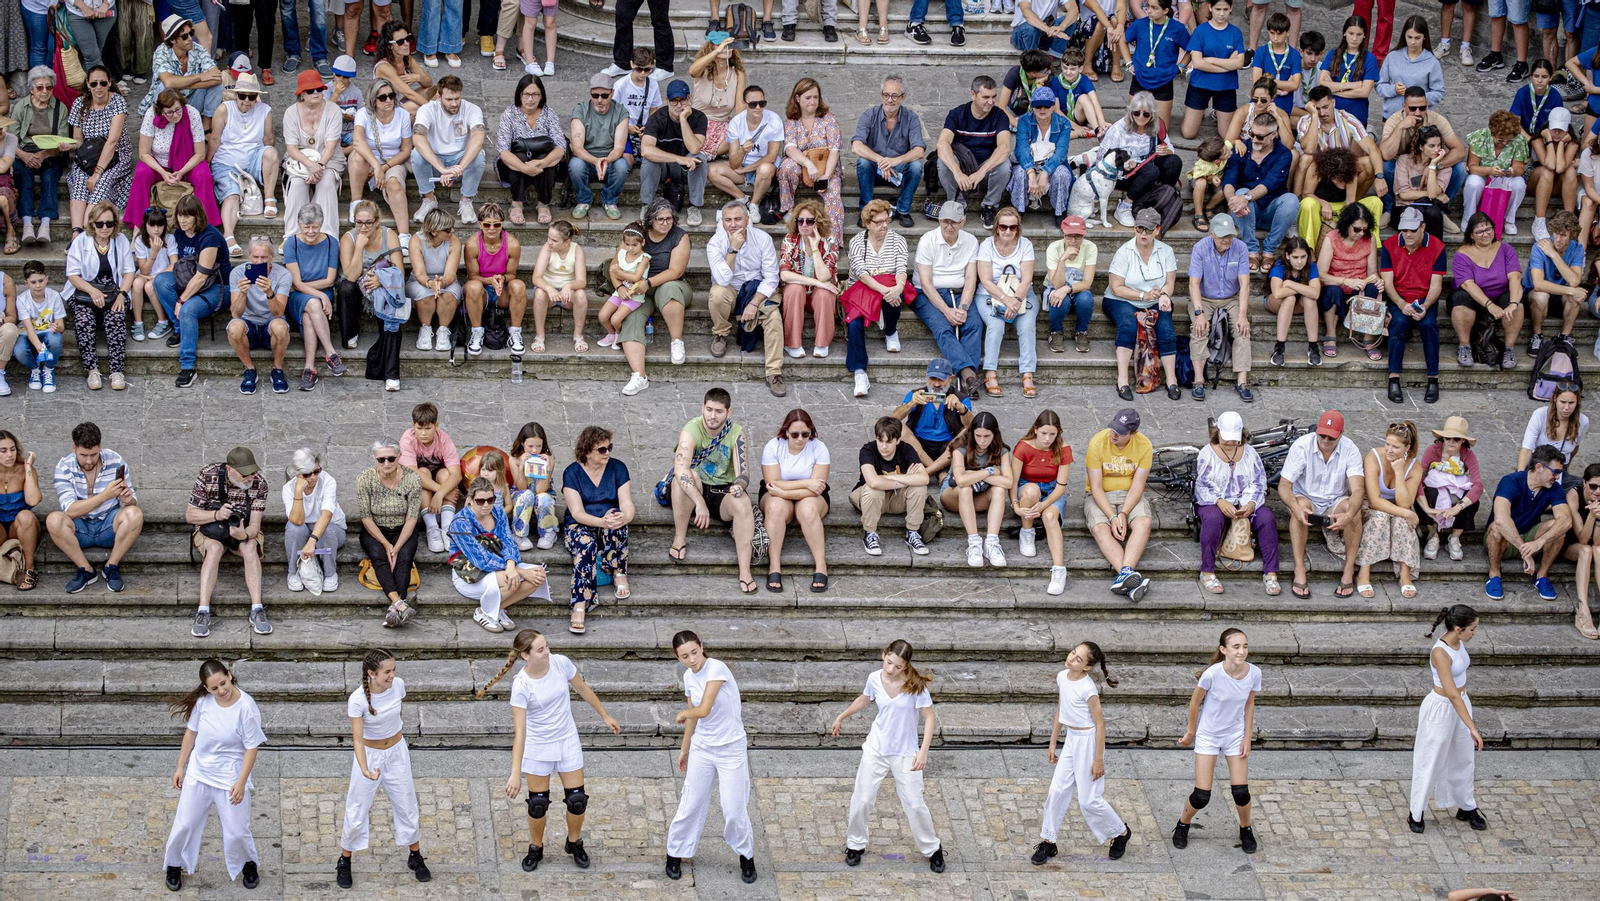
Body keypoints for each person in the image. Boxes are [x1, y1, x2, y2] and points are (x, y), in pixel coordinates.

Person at [479, 629, 621, 871]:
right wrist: (515, 772)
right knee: (538, 804)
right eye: (541, 649)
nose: (548, 652)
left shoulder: (560, 663)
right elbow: (520, 733)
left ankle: (574, 842)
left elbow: (583, 689)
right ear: (525, 655)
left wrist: (605, 715)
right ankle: (536, 847)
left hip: (566, 740)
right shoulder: (521, 685)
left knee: (577, 800)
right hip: (538, 746)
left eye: (547, 646)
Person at [830, 640, 945, 872]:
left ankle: (933, 849)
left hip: (905, 752)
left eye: (897, 666)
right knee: (862, 798)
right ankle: (855, 844)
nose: (890, 669)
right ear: (884, 655)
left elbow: (929, 718)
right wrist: (841, 716)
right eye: (888, 662)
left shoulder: (916, 686)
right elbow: (864, 699)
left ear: (906, 666)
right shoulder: (874, 678)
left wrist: (923, 751)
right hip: (877, 748)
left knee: (914, 803)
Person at [160, 660, 266, 893]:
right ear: (206, 689)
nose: (221, 691)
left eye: (223, 683)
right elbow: (191, 733)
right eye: (215, 688)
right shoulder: (203, 703)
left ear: (229, 675)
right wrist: (180, 767)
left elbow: (251, 748)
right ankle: (174, 865)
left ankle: (248, 864)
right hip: (199, 774)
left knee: (237, 830)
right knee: (185, 822)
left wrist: (240, 782)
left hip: (229, 778)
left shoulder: (246, 707)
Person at [664, 631, 757, 885]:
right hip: (703, 748)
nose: (692, 660)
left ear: (702, 647)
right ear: (677, 657)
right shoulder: (687, 676)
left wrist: (684, 712)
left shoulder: (717, 668)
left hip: (731, 749)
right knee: (690, 801)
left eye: (694, 652)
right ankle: (675, 852)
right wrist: (685, 749)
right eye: (684, 656)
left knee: (734, 809)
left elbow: (702, 709)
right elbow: (695, 718)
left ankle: (746, 856)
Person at [1031, 641, 1132, 864]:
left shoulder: (1088, 689)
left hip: (1088, 742)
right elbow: (1061, 708)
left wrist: (1098, 759)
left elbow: (1100, 724)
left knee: (1089, 800)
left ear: (1087, 667)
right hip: (1071, 739)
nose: (1072, 658)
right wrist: (1053, 741)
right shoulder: (1062, 677)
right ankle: (1048, 841)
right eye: (1073, 653)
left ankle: (1120, 832)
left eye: (1078, 659)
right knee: (1056, 790)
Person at [336, 650, 430, 889]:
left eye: (393, 669)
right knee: (357, 807)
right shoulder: (357, 700)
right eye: (387, 671)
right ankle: (345, 860)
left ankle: (415, 855)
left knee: (407, 804)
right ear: (371, 673)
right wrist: (365, 769)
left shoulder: (398, 685)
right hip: (369, 755)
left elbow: (397, 713)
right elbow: (357, 739)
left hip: (397, 752)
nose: (392, 675)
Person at [1171, 628, 1262, 855]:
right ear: (1223, 650)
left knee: (1241, 792)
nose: (1242, 651)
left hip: (1234, 735)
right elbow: (1194, 704)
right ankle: (1183, 823)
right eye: (1236, 647)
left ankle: (1245, 828)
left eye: (1245, 646)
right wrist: (1191, 733)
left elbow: (1249, 704)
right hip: (1209, 735)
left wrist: (1247, 737)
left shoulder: (1254, 673)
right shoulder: (1212, 674)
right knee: (1202, 795)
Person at [669, 388, 758, 592]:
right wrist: (700, 502)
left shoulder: (736, 432)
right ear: (702, 408)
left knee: (743, 501)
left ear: (728, 412)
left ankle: (745, 571)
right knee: (685, 478)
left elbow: (744, 473)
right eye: (709, 409)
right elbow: (680, 469)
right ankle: (679, 537)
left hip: (721, 491)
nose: (712, 415)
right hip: (694, 487)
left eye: (718, 411)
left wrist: (739, 486)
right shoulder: (691, 429)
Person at [1409, 605, 1486, 833]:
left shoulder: (1459, 642)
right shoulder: (1440, 653)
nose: (1475, 633)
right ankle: (1416, 811)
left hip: (1461, 703)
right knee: (1431, 758)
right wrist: (1472, 726)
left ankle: (1466, 805)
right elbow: (1451, 692)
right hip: (1441, 708)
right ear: (1458, 629)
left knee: (1463, 757)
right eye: (1472, 629)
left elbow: (1458, 691)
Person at [608, 200, 694, 396]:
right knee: (632, 317)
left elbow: (676, 270)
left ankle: (676, 341)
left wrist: (649, 283)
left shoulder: (680, 237)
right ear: (650, 220)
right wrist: (620, 287)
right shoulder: (636, 234)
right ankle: (639, 375)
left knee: (669, 290)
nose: (665, 223)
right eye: (660, 219)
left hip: (671, 284)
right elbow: (616, 265)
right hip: (637, 289)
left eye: (669, 219)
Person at [47, 421, 143, 594]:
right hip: (80, 528)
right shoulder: (63, 467)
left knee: (134, 514)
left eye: (94, 454)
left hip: (108, 525)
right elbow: (69, 510)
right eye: (84, 455)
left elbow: (131, 500)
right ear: (74, 448)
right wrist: (105, 495)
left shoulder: (115, 460)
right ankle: (85, 569)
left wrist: (128, 500)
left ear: (100, 446)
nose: (89, 460)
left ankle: (111, 566)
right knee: (53, 519)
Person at [1279, 409, 1366, 599]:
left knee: (1355, 511)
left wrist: (1349, 514)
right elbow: (1284, 485)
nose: (1325, 440)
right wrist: (1295, 507)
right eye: (1322, 435)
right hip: (1306, 497)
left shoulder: (1350, 449)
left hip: (1335, 500)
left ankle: (1349, 570)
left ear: (1341, 435)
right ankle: (1299, 568)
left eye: (1331, 437)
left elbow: (1358, 489)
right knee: (1300, 508)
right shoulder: (1302, 446)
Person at [186, 447, 271, 639]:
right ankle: (203, 610)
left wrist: (242, 535)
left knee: (249, 546)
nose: (250, 477)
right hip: (211, 529)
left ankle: (257, 608)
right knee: (214, 549)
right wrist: (216, 515)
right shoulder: (208, 475)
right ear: (230, 469)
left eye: (253, 472)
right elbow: (190, 515)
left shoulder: (259, 484)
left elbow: (255, 526)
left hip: (242, 529)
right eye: (244, 474)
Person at [452, 475, 552, 634]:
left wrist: (511, 564)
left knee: (538, 575)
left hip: (502, 564)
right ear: (470, 500)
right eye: (480, 501)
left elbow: (508, 542)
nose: (486, 505)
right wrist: (518, 571)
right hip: (471, 573)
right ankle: (482, 613)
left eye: (490, 500)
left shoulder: (498, 512)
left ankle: (495, 609)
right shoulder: (460, 522)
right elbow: (481, 559)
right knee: (512, 579)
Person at [1194, 411, 1280, 595]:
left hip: (1244, 500)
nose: (1231, 443)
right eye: (1226, 439)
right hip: (1214, 501)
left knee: (1267, 519)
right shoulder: (1206, 453)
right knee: (1213, 519)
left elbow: (1258, 482)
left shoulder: (1250, 453)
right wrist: (1220, 501)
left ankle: (1271, 573)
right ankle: (1207, 571)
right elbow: (1203, 484)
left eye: (1234, 439)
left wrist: (1250, 504)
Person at [705, 201, 784, 394]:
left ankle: (774, 372)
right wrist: (733, 249)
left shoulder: (762, 238)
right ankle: (721, 333)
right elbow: (722, 279)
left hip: (757, 289)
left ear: (747, 220)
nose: (733, 224)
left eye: (738, 219)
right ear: (722, 222)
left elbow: (771, 277)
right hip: (730, 288)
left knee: (773, 318)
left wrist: (754, 303)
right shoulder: (716, 243)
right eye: (728, 220)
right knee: (717, 293)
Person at [1104, 208, 1181, 401]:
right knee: (1128, 326)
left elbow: (1170, 282)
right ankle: (1122, 380)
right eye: (1139, 229)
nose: (1143, 234)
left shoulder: (1166, 251)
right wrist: (1143, 295)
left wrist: (1164, 295)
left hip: (1155, 298)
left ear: (1157, 229)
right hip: (1122, 299)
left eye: (1148, 229)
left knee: (1166, 327)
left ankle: (1172, 380)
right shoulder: (1124, 252)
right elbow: (1116, 287)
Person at [910, 203, 985, 395]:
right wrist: (947, 311)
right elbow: (926, 284)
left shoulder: (970, 241)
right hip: (927, 294)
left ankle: (967, 379)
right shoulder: (928, 240)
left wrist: (964, 308)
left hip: (960, 292)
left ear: (963, 222)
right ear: (939, 220)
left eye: (953, 222)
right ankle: (968, 374)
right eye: (945, 221)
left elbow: (970, 279)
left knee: (974, 324)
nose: (949, 226)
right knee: (942, 327)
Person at [562, 426, 633, 629]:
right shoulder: (572, 473)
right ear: (586, 451)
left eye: (609, 447)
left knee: (617, 521)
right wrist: (601, 522)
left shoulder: (618, 468)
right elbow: (577, 512)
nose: (608, 452)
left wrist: (624, 517)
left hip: (608, 521)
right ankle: (580, 603)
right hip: (580, 524)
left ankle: (619, 571)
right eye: (602, 449)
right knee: (586, 546)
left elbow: (627, 504)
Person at [62, 201, 134, 392]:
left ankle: (117, 370)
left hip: (113, 291)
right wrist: (92, 292)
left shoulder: (121, 241)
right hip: (85, 290)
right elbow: (73, 275)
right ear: (93, 223)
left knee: (116, 316)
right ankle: (92, 370)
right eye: (100, 224)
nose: (104, 228)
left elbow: (128, 272)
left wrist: (122, 294)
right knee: (84, 320)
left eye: (109, 224)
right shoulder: (81, 241)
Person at [1083, 408, 1154, 600]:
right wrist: (1113, 516)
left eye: (1121, 432)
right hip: (1101, 495)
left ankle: (1124, 575)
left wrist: (1123, 513)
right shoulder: (1098, 442)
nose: (1114, 434)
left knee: (1144, 522)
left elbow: (1138, 486)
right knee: (1099, 528)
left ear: (1133, 434)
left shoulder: (1144, 445)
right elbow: (1095, 487)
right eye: (1113, 429)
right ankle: (1129, 578)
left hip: (1129, 494)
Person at [209, 75, 282, 259]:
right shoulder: (224, 109)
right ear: (236, 95)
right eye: (242, 96)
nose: (247, 100)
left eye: (252, 96)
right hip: (226, 162)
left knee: (271, 152)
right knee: (231, 195)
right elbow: (215, 138)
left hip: (253, 158)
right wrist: (208, 161)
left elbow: (269, 139)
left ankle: (269, 198)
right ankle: (229, 235)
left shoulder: (265, 110)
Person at [843, 200, 910, 398]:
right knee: (853, 322)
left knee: (893, 291)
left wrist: (898, 287)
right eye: (879, 222)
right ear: (867, 223)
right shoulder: (856, 242)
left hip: (889, 286)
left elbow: (901, 269)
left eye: (887, 220)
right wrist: (886, 290)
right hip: (862, 289)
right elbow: (862, 274)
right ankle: (859, 372)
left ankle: (890, 330)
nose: (884, 225)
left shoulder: (898, 240)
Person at [1486, 444, 1570, 600]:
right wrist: (1524, 551)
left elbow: (1566, 520)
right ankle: (1494, 574)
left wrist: (1539, 542)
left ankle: (1542, 576)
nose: (1558, 476)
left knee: (1558, 528)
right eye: (1556, 472)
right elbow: (1502, 518)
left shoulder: (1554, 488)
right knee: (1497, 526)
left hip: (1531, 538)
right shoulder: (1510, 481)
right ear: (1539, 467)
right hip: (1503, 541)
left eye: (1560, 472)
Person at [759, 409, 831, 592]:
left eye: (805, 434)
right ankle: (774, 566)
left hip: (810, 497)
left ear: (811, 433)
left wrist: (784, 491)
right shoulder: (773, 446)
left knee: (807, 510)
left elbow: (818, 488)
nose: (800, 439)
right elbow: (772, 483)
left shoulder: (819, 448)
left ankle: (821, 565)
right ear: (786, 432)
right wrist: (807, 483)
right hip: (777, 494)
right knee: (775, 508)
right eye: (795, 434)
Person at [1381, 207, 1447, 404]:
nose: (1408, 234)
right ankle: (1394, 377)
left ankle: (1433, 378)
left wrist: (1425, 305)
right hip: (1399, 296)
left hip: (1424, 297)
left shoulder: (1437, 246)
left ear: (1423, 227)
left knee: (1428, 325)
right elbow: (1387, 282)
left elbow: (1436, 285)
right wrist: (1401, 304)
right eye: (1404, 230)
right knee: (1399, 323)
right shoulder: (1390, 245)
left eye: (1412, 229)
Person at [1186, 213, 1254, 402]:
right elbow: (1194, 284)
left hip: (1231, 297)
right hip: (1204, 297)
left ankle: (1241, 382)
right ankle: (1199, 381)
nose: (1227, 240)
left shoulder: (1240, 248)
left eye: (1230, 235)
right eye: (1223, 236)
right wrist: (1199, 313)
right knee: (1199, 329)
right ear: (1212, 234)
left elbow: (1245, 284)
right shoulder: (1200, 248)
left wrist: (1242, 315)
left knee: (1242, 330)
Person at [974, 205, 1040, 398]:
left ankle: (1027, 374)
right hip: (990, 295)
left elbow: (1027, 279)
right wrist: (1006, 300)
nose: (1008, 231)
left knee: (1027, 326)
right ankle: (990, 373)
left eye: (1013, 227)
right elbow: (985, 280)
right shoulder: (986, 245)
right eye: (1004, 227)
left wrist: (1016, 300)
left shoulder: (1025, 244)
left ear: (1018, 228)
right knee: (996, 325)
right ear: (997, 227)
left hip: (1021, 294)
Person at [933, 76, 1014, 230]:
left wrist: (981, 172)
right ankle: (957, 204)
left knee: (1004, 164)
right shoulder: (957, 114)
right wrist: (957, 172)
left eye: (993, 97)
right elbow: (942, 144)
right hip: (963, 167)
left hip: (987, 167)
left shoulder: (999, 115)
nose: (991, 102)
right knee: (942, 161)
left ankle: (990, 206)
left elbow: (1004, 147)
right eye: (986, 97)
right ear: (973, 95)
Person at [357, 438, 423, 627]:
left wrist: (397, 546)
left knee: (404, 557)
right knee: (379, 556)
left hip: (403, 528)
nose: (386, 463)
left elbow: (411, 518)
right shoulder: (364, 479)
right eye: (381, 460)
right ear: (374, 459)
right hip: (375, 529)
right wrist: (387, 545)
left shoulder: (412, 479)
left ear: (399, 457)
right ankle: (400, 604)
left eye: (391, 459)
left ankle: (394, 608)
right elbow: (366, 517)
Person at [1355, 420, 1425, 598]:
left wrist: (1400, 472)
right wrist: (1407, 513)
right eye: (1387, 444)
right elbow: (1374, 501)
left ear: (1407, 448)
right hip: (1371, 508)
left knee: (1403, 521)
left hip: (1397, 508)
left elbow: (1404, 502)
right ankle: (1364, 571)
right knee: (1381, 517)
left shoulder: (1414, 467)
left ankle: (1404, 574)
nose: (1389, 450)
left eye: (1395, 447)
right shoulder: (1373, 457)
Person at [339, 200, 406, 385]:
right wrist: (359, 247)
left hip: (382, 287)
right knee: (345, 287)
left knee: (391, 323)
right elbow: (351, 277)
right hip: (357, 288)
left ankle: (392, 373)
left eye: (368, 222)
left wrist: (381, 280)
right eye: (359, 222)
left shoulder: (389, 235)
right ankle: (350, 333)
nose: (363, 227)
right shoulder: (349, 238)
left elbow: (399, 271)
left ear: (377, 221)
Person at [1450, 212, 1525, 372]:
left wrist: (1513, 303)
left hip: (1500, 293)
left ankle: (1509, 348)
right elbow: (1468, 285)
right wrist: (1489, 305)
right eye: (1479, 231)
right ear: (1471, 234)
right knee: (1461, 302)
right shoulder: (1462, 254)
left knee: (1517, 306)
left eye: (1488, 229)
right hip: (1472, 296)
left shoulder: (1505, 249)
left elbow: (1515, 278)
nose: (1485, 234)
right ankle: (1465, 346)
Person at [1223, 114, 1298, 273]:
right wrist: (1234, 201)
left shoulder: (1283, 154)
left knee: (1291, 200)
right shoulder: (1241, 148)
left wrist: (1245, 198)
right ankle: (1251, 250)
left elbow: (1269, 184)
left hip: (1273, 211)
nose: (1254, 139)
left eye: (1260, 136)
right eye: (1252, 133)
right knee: (1240, 191)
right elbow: (1229, 181)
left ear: (1273, 135)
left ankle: (1269, 250)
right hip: (1247, 213)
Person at [282, 205, 347, 388]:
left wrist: (320, 294)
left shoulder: (331, 243)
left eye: (315, 227)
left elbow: (330, 279)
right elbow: (295, 284)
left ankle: (309, 369)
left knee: (309, 315)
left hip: (317, 292)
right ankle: (331, 353)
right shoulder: (291, 243)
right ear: (299, 225)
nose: (310, 231)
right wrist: (320, 295)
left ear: (321, 225)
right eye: (306, 227)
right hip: (298, 296)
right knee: (312, 303)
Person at [9, 67, 75, 247]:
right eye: (40, 87)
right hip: (24, 150)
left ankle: (45, 223)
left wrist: (44, 154)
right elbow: (11, 138)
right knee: (24, 178)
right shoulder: (21, 106)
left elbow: (62, 138)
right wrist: (24, 156)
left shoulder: (59, 108)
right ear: (31, 89)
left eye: (49, 87)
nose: (45, 91)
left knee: (49, 177)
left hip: (50, 151)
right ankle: (28, 223)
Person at [1378, 87, 1467, 219]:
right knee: (1386, 166)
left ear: (1427, 105)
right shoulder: (1394, 120)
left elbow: (1459, 151)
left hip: (1430, 164)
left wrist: (1435, 166)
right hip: (1403, 166)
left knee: (1460, 169)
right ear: (1404, 106)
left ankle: (1441, 208)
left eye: (1422, 108)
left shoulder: (1436, 119)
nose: (1418, 112)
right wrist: (1400, 127)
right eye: (1413, 108)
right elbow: (1385, 154)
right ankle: (1390, 209)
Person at [67, 65, 135, 234]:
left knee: (101, 183)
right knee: (79, 184)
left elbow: (112, 142)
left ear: (109, 84)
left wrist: (97, 174)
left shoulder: (117, 102)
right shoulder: (79, 104)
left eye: (103, 83)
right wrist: (68, 145)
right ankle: (76, 234)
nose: (99, 87)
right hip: (89, 157)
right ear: (88, 85)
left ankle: (86, 230)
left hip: (115, 157)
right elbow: (78, 139)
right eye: (94, 83)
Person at [282, 71, 348, 243]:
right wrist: (310, 165)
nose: (316, 93)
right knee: (297, 183)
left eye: (319, 89)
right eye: (310, 90)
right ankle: (292, 236)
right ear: (301, 94)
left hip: (330, 158)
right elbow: (291, 148)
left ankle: (328, 236)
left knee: (326, 182)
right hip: (300, 160)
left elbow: (331, 145)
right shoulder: (290, 112)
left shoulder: (333, 110)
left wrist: (319, 165)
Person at [412, 76, 486, 227]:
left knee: (479, 155)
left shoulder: (472, 109)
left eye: (457, 98)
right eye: (449, 99)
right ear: (438, 96)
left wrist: (461, 166)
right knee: (416, 154)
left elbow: (478, 137)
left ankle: (466, 200)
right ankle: (429, 199)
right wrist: (443, 169)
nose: (454, 103)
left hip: (460, 160)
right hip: (435, 161)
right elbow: (418, 138)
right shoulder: (427, 109)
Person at [852, 76, 925, 230]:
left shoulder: (911, 118)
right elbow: (856, 146)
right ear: (881, 95)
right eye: (886, 95)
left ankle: (903, 210)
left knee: (916, 166)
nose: (890, 100)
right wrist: (881, 161)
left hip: (898, 170)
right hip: (875, 170)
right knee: (863, 162)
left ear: (903, 97)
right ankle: (865, 211)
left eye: (894, 96)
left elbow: (919, 150)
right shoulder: (869, 115)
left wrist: (896, 161)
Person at [774, 78, 844, 238]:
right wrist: (808, 164)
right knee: (787, 167)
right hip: (803, 166)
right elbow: (790, 148)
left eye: (815, 97)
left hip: (827, 167)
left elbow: (834, 150)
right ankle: (788, 209)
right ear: (797, 98)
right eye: (808, 98)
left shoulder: (829, 119)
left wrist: (826, 175)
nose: (812, 101)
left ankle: (832, 241)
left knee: (833, 195)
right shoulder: (791, 122)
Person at [223, 236, 293, 395]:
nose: (259, 261)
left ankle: (277, 369)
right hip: (249, 326)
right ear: (249, 256)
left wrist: (269, 292)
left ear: (271, 258)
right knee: (234, 326)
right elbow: (235, 313)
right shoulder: (238, 273)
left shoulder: (283, 275)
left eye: (263, 257)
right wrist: (242, 293)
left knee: (280, 326)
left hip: (270, 325)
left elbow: (278, 313)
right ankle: (249, 369)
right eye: (255, 257)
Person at [854, 417, 931, 557]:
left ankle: (912, 532)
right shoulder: (868, 450)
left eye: (889, 442)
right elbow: (873, 482)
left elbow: (924, 478)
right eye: (880, 441)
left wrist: (888, 478)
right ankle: (870, 533)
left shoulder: (906, 449)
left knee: (919, 488)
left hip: (897, 499)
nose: (883, 446)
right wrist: (907, 479)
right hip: (869, 498)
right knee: (874, 490)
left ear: (897, 440)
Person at [943, 411, 1012, 569]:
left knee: (999, 490)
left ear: (994, 434)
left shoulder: (1002, 451)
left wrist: (973, 475)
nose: (982, 441)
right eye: (978, 435)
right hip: (953, 496)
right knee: (965, 488)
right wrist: (988, 472)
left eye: (987, 436)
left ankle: (992, 543)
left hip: (980, 497)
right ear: (972, 433)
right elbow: (960, 480)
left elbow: (1008, 482)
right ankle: (974, 542)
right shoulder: (960, 449)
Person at [350, 79, 414, 246]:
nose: (388, 100)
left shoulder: (402, 114)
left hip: (393, 161)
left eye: (391, 96)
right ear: (373, 100)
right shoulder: (363, 114)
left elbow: (406, 150)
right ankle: (355, 202)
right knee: (358, 156)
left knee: (393, 184)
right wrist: (377, 166)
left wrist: (384, 167)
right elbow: (357, 141)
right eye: (383, 97)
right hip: (369, 160)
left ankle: (404, 235)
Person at [496, 75, 567, 228]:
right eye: (526, 94)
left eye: (535, 94)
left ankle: (543, 204)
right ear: (519, 94)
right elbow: (502, 150)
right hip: (516, 165)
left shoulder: (549, 114)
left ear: (541, 95)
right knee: (519, 156)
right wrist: (525, 167)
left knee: (548, 157)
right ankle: (516, 203)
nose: (530, 99)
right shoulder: (509, 114)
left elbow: (561, 147)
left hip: (541, 165)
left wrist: (540, 163)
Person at [1315, 203, 1381, 361]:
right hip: (1335, 285)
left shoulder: (1369, 239)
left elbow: (1372, 272)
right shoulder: (1332, 238)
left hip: (1360, 287)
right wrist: (1346, 281)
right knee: (1332, 290)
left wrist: (1378, 281)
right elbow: (1320, 274)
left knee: (1373, 289)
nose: (1361, 233)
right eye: (1357, 229)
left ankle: (1368, 338)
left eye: (1364, 229)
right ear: (1346, 224)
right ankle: (1331, 335)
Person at [639, 80, 709, 227]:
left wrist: (683, 119)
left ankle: (694, 206)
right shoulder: (657, 117)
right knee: (648, 160)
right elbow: (645, 149)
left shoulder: (699, 117)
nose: (678, 105)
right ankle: (647, 204)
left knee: (699, 158)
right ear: (667, 100)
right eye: (674, 101)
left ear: (689, 98)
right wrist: (677, 158)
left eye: (682, 100)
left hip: (686, 169)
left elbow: (695, 148)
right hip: (664, 167)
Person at [1294, 85, 1385, 198]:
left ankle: (1353, 204)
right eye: (1317, 109)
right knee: (1305, 158)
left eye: (1325, 107)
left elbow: (1372, 148)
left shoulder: (1348, 119)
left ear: (1333, 103)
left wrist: (1380, 177)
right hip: (1316, 171)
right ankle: (1297, 201)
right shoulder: (1305, 121)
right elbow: (1309, 149)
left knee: (1369, 163)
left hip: (1343, 168)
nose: (1322, 113)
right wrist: (1314, 117)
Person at [778, 199, 841, 359]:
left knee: (825, 293)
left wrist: (814, 248)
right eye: (800, 220)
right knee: (794, 288)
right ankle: (791, 343)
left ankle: (822, 343)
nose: (804, 224)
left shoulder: (830, 242)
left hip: (817, 296)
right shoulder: (790, 239)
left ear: (818, 222)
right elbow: (784, 274)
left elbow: (825, 276)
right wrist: (818, 283)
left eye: (810, 221)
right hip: (797, 294)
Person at [461, 203, 527, 355]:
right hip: (481, 290)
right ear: (480, 225)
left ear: (502, 224)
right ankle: (477, 331)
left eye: (496, 225)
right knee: (473, 287)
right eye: (487, 224)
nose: (492, 228)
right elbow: (473, 276)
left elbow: (512, 274)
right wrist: (490, 280)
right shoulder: (472, 244)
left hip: (501, 289)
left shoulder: (512, 244)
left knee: (519, 285)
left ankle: (515, 332)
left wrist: (502, 278)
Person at [710, 84, 782, 221]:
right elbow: (733, 162)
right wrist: (742, 150)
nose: (758, 108)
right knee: (712, 170)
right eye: (753, 104)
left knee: (765, 169)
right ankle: (742, 199)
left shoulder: (773, 120)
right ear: (744, 104)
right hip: (741, 167)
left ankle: (754, 203)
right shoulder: (736, 123)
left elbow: (772, 157)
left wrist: (745, 169)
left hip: (762, 168)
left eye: (762, 103)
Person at [1419, 416, 1483, 563]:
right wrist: (1426, 507)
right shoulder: (1432, 451)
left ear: (1463, 441)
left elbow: (1478, 485)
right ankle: (1433, 535)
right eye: (1448, 438)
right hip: (1435, 491)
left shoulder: (1468, 455)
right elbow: (1419, 478)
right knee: (1425, 493)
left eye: (1456, 439)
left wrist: (1459, 507)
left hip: (1456, 494)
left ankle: (1454, 537)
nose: (1451, 442)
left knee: (1473, 500)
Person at [1118, 0, 1190, 128]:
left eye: (1154, 8)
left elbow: (1190, 49)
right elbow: (1123, 40)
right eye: (1148, 7)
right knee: (1132, 125)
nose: (1149, 10)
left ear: (1166, 11)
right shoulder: (1140, 24)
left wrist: (1181, 67)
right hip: (1140, 77)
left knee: (1161, 130)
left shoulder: (1177, 28)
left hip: (1164, 79)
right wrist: (1129, 63)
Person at [569, 73, 631, 222]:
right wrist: (595, 161)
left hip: (610, 160)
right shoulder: (581, 110)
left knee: (623, 166)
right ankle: (584, 199)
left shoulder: (621, 112)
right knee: (575, 165)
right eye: (595, 95)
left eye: (604, 95)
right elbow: (577, 148)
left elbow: (619, 147)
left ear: (612, 93)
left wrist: (605, 160)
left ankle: (610, 199)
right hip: (587, 160)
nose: (600, 100)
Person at [1181, 0, 1247, 140]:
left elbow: (1240, 62)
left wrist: (1210, 60)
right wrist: (1228, 65)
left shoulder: (1235, 32)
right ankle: (1207, 112)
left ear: (1231, 9)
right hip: (1200, 84)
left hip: (1225, 86)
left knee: (1227, 136)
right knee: (1188, 133)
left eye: (1225, 9)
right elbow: (1198, 63)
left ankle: (1217, 113)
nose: (1221, 13)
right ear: (1210, 8)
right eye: (1218, 9)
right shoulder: (1200, 30)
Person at [1523, 210, 1587, 354]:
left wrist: (1553, 254)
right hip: (1534, 295)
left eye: (1563, 235)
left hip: (1559, 296)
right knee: (1542, 295)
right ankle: (1537, 335)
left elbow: (1574, 280)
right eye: (1556, 233)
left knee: (1575, 297)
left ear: (1572, 236)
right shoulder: (1539, 247)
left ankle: (1565, 337)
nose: (1558, 239)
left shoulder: (1577, 248)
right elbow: (1538, 284)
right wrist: (1571, 290)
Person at [1298, 146, 1385, 251]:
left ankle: (1370, 246)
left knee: (1375, 202)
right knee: (1307, 203)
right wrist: (1323, 203)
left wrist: (1345, 220)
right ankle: (1308, 248)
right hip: (1319, 207)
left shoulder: (1351, 171)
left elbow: (1350, 202)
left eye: (1341, 177)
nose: (1337, 180)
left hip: (1341, 207)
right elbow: (1306, 194)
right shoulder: (1315, 168)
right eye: (1334, 176)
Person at [283, 448, 344, 593]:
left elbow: (326, 515)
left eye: (316, 471)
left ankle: (330, 572)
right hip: (303, 529)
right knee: (293, 528)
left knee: (326, 529)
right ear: (297, 474)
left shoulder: (328, 481)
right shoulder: (289, 488)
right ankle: (293, 571)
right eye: (306, 474)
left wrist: (312, 540)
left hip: (332, 530)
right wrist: (298, 492)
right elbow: (297, 521)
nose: (313, 477)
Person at [1461, 111, 1531, 236]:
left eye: (1509, 140)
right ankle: (1469, 217)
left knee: (1519, 183)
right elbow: (1472, 167)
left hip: (1505, 177)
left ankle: (1509, 219)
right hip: (1482, 175)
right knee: (1473, 183)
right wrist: (1489, 170)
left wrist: (1512, 171)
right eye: (1501, 139)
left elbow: (1520, 168)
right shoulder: (1480, 137)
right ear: (1492, 132)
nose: (1504, 143)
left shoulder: (1519, 140)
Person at [144, 16, 224, 122]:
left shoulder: (197, 49)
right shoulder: (161, 52)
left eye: (191, 33)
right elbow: (168, 82)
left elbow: (217, 77)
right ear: (172, 39)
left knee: (218, 85)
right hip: (166, 104)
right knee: (163, 87)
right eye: (184, 36)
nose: (190, 38)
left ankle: (206, 127)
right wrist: (201, 76)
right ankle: (164, 124)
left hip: (190, 101)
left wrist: (182, 84)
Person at [1011, 88, 1074, 221]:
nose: (1042, 109)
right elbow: (1022, 150)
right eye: (1038, 106)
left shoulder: (1064, 124)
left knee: (1062, 174)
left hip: (1053, 164)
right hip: (1029, 162)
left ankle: (1060, 211)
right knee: (1019, 173)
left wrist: (1045, 172)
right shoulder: (1024, 121)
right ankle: (1018, 210)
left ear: (1053, 107)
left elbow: (1061, 152)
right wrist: (1031, 172)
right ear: (1032, 107)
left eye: (1047, 106)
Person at [408, 208, 464, 353]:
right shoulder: (416, 240)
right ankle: (425, 329)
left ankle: (443, 330)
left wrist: (442, 283)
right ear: (434, 231)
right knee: (425, 295)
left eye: (452, 227)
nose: (452, 231)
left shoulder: (454, 241)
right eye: (447, 229)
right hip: (419, 280)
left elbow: (451, 273)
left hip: (446, 280)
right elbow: (419, 273)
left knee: (449, 295)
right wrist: (430, 283)